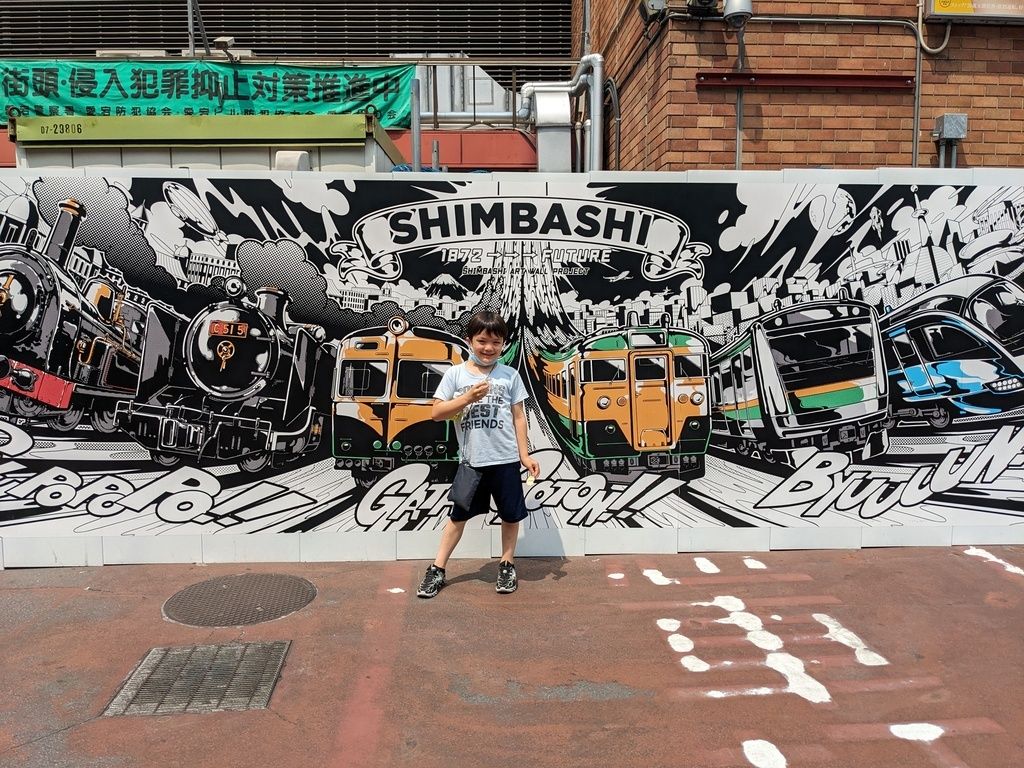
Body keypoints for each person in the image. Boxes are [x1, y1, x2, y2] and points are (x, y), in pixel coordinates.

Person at [417, 310, 540, 598]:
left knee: (510, 515)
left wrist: (524, 455)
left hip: (506, 460)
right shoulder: (455, 374)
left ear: (503, 344)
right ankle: (437, 568)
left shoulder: (510, 376)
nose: (488, 348)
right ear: (469, 341)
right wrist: (467, 398)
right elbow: (436, 412)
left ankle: (507, 565)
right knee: (458, 516)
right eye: (482, 341)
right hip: (472, 462)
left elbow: (519, 417)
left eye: (496, 342)